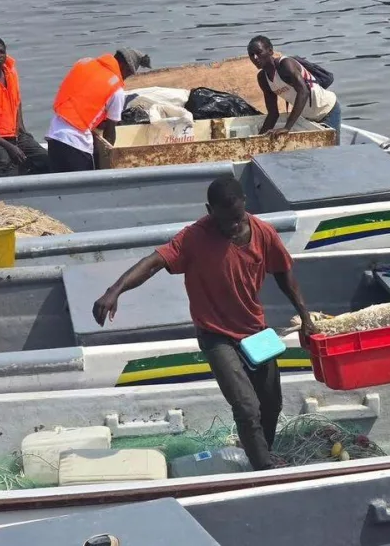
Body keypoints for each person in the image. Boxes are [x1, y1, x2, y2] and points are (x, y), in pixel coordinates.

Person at [92, 175, 317, 471]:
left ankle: (262, 454)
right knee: (247, 408)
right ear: (209, 210)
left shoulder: (264, 233)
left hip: (255, 331)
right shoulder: (194, 237)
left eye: (237, 219)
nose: (232, 226)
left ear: (244, 206)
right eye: (225, 221)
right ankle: (266, 471)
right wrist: (115, 289)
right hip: (216, 336)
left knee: (271, 403)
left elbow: (285, 274)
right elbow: (153, 262)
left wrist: (304, 315)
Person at [46, 48, 150, 172]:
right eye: (128, 74)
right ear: (124, 67)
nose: (125, 78)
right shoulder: (116, 90)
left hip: (54, 136)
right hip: (76, 145)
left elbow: (83, 105)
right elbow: (109, 134)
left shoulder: (84, 64)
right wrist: (110, 161)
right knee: (85, 190)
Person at [0, 36, 48, 177]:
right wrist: (9, 146)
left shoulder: (10, 72)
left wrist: (22, 129)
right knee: (4, 161)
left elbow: (17, 101)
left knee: (44, 158)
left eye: (2, 52)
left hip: (13, 133)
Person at [247, 35, 341, 143]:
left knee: (332, 152)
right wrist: (258, 140)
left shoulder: (285, 65)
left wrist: (287, 127)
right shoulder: (263, 79)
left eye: (259, 52)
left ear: (270, 51)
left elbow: (304, 91)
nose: (255, 58)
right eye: (251, 55)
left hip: (327, 109)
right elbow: (273, 114)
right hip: (308, 118)